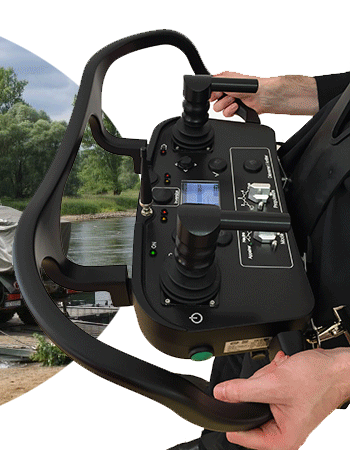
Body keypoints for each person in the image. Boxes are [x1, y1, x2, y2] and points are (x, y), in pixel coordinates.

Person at [167, 71, 350, 450]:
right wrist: (281, 93)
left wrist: (340, 373)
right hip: (292, 226)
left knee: (244, 430)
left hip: (326, 319)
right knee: (224, 398)